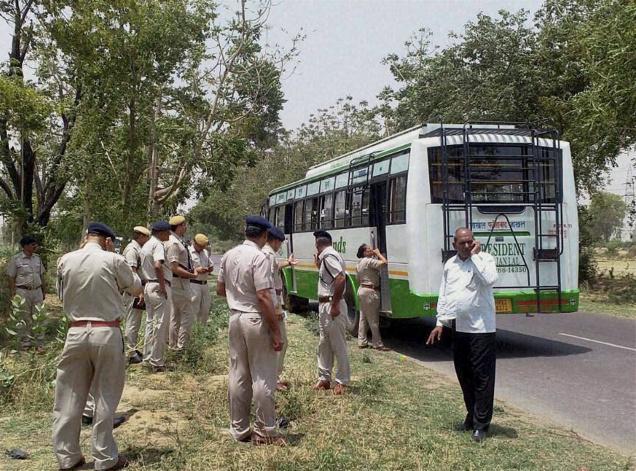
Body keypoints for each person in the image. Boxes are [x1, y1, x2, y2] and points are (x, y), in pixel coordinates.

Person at [53, 222, 141, 471]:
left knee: (68, 396)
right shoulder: (113, 259)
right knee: (106, 396)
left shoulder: (65, 260)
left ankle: (67, 456)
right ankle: (105, 457)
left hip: (75, 331)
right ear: (108, 240)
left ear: (86, 237)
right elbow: (135, 287)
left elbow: (62, 294)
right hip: (106, 330)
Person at [216, 215, 284, 446]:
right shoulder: (259, 257)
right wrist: (276, 331)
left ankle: (240, 428)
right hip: (255, 318)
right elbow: (264, 296)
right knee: (263, 375)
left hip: (235, 316)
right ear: (264, 235)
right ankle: (265, 431)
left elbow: (219, 289)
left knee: (238, 373)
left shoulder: (228, 255)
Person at [426, 227, 498, 443]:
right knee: (464, 374)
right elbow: (445, 294)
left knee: (482, 377)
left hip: (482, 329)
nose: (466, 246)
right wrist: (440, 322)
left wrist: (475, 257)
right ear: (454, 244)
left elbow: (489, 279)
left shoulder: (485, 259)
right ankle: (472, 414)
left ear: (475, 242)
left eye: (470, 242)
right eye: (462, 243)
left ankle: (482, 424)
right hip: (460, 328)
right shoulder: (450, 265)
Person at [313, 230, 350, 395]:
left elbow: (341, 278)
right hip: (324, 305)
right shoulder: (328, 257)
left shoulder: (328, 257)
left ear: (318, 244)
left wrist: (334, 304)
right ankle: (324, 378)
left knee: (338, 344)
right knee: (324, 343)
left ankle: (342, 381)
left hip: (331, 305)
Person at [262, 226, 297, 391]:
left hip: (272, 302)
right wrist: (276, 309)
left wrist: (288, 263)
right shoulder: (268, 254)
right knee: (280, 342)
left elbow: (275, 268)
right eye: (280, 243)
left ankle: (271, 377)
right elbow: (268, 283)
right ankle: (273, 379)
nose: (280, 247)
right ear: (275, 241)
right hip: (273, 303)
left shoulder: (267, 253)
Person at [166, 215, 203, 351]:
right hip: (179, 282)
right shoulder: (174, 243)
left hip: (179, 282)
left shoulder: (178, 241)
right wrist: (192, 274)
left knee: (176, 316)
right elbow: (174, 267)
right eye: (184, 225)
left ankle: (174, 345)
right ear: (179, 226)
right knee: (187, 315)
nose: (186, 227)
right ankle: (182, 346)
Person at [139, 221, 172, 373]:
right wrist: (163, 286)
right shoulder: (158, 245)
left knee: (150, 323)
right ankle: (157, 362)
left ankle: (147, 357)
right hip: (158, 286)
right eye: (168, 232)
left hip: (148, 286)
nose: (170, 235)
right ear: (161, 232)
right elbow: (158, 265)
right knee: (160, 324)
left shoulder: (146, 244)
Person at [5, 235, 46, 348]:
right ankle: (25, 343)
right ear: (25, 246)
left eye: (35, 244)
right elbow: (11, 277)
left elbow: (42, 275)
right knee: (24, 317)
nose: (35, 246)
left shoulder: (37, 258)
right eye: (33, 244)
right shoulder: (16, 259)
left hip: (37, 291)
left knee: (39, 315)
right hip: (22, 292)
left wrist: (44, 291)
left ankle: (40, 343)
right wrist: (14, 292)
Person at [122, 226, 151, 364]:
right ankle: (130, 352)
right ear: (140, 236)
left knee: (136, 321)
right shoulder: (132, 250)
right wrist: (138, 291)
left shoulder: (138, 249)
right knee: (132, 322)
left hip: (139, 290)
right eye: (146, 237)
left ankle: (132, 348)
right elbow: (132, 273)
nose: (147, 239)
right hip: (134, 292)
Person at [356, 243, 389, 351]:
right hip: (370, 292)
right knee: (373, 319)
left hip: (361, 290)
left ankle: (362, 341)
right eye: (369, 250)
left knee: (363, 318)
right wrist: (379, 254)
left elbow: (357, 278)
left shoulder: (359, 263)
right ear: (364, 252)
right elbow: (384, 263)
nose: (372, 250)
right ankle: (377, 343)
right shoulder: (369, 261)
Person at [189, 233, 214, 324]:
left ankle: (202, 329)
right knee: (193, 308)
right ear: (194, 243)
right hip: (193, 283)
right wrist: (196, 270)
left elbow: (210, 264)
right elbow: (183, 269)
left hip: (204, 283)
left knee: (205, 308)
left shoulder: (205, 252)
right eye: (200, 246)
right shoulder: (187, 252)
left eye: (204, 246)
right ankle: (193, 330)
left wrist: (209, 268)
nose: (202, 248)